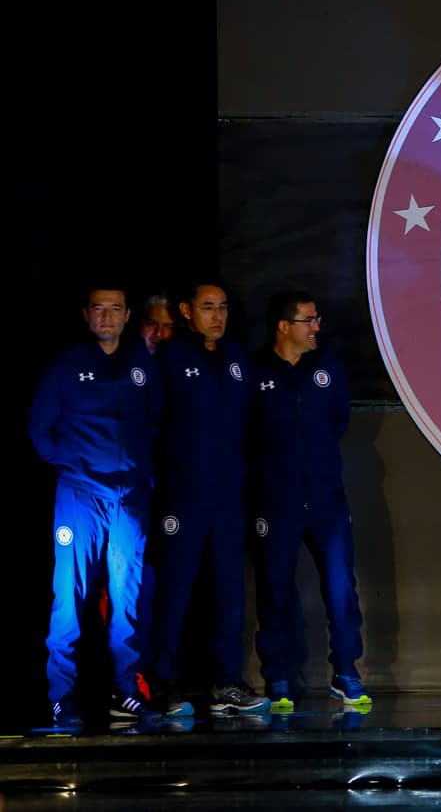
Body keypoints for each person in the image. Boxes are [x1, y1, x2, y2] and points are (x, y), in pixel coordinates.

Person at [28, 283, 163, 727]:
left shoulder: (140, 365)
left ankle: (127, 691)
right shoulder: (67, 366)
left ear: (127, 317)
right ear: (86, 315)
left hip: (130, 499)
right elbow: (40, 429)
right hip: (81, 498)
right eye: (99, 309)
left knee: (129, 597)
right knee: (69, 598)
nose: (107, 317)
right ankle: (61, 699)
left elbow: (156, 421)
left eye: (116, 309)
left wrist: (141, 471)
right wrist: (77, 466)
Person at [147, 277, 268, 716]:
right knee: (176, 592)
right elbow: (153, 425)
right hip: (184, 499)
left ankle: (226, 684)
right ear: (187, 311)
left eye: (222, 308)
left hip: (228, 500)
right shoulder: (172, 358)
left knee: (229, 594)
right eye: (207, 308)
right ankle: (163, 682)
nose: (217, 317)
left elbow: (251, 424)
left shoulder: (237, 358)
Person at [248, 291, 371, 712]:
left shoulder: (328, 367)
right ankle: (277, 678)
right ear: (284, 327)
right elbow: (246, 432)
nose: (316, 327)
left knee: (341, 588)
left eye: (317, 319)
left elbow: (338, 421)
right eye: (309, 320)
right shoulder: (254, 368)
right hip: (276, 500)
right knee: (275, 590)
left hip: (326, 497)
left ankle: (346, 673)